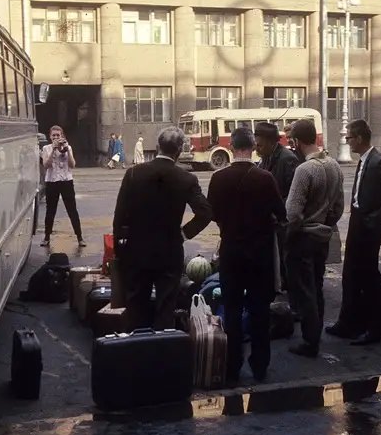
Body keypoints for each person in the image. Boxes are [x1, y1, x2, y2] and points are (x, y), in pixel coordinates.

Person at [112, 127, 212, 330]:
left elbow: (119, 217)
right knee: (166, 307)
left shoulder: (133, 174)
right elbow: (206, 213)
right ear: (179, 150)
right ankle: (163, 351)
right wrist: (184, 233)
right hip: (170, 250)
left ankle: (137, 349)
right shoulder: (186, 179)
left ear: (157, 146)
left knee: (136, 306)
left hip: (137, 251)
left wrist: (120, 251)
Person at [208, 127, 286, 383]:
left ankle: (232, 366)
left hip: (231, 252)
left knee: (231, 310)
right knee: (259, 310)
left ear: (231, 147)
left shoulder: (218, 179)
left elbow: (214, 214)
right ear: (252, 147)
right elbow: (281, 213)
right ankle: (260, 366)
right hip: (260, 255)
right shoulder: (265, 178)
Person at [326, 119, 381, 346]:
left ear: (360, 138)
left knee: (369, 279)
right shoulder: (365, 161)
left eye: (349, 138)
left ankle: (373, 331)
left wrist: (380, 212)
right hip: (357, 225)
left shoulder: (377, 162)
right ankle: (346, 324)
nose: (347, 141)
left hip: (369, 229)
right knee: (350, 276)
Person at [283, 119, 344, 357]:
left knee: (304, 291)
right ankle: (315, 334)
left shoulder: (304, 170)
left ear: (297, 142)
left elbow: (293, 213)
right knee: (317, 287)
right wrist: (327, 225)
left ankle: (310, 342)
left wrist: (290, 236)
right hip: (323, 237)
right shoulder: (334, 165)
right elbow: (339, 206)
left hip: (303, 238)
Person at [255, 121, 303, 310]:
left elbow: (294, 194)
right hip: (272, 220)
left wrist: (278, 212)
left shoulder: (287, 159)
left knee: (289, 264)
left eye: (259, 145)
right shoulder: (267, 157)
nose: (256, 148)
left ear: (269, 142)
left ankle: (296, 308)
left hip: (284, 221)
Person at [40, 125, 86, 248]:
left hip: (66, 181)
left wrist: (68, 150)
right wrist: (53, 150)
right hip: (52, 181)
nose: (56, 137)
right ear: (50, 137)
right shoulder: (46, 148)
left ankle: (80, 237)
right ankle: (46, 237)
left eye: (58, 135)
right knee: (50, 211)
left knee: (72, 210)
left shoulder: (68, 147)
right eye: (53, 135)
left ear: (62, 136)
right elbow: (46, 165)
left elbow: (72, 165)